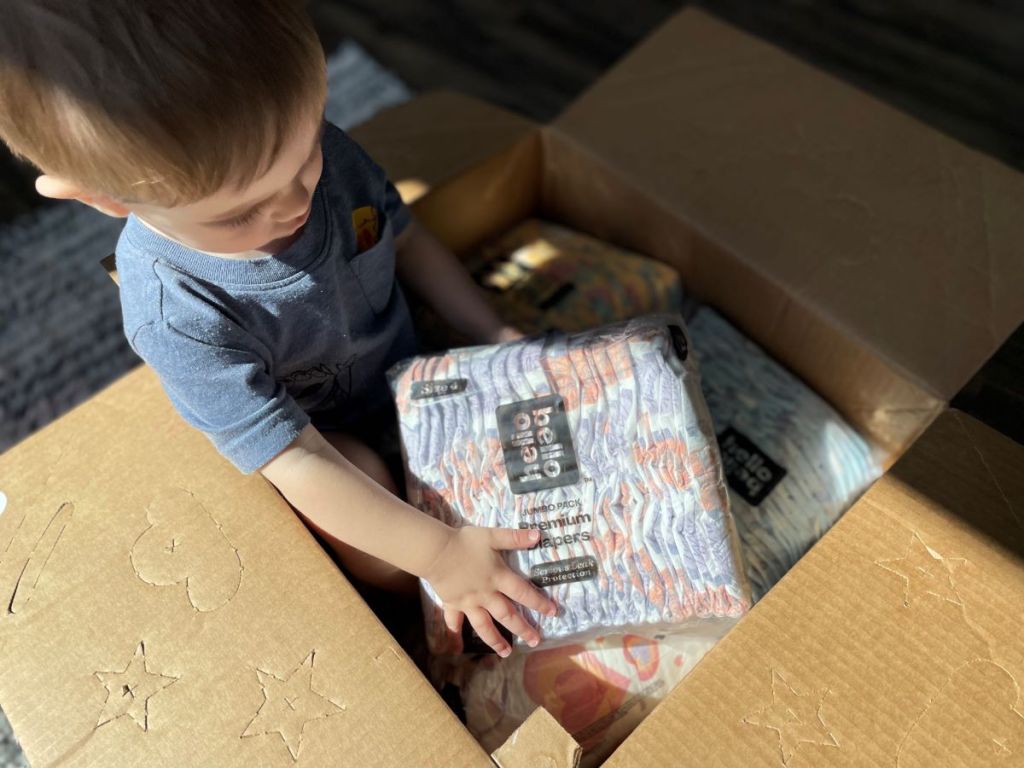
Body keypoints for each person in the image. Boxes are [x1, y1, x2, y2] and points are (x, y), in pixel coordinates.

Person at [0, 0, 555, 656]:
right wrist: (438, 559)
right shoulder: (178, 314)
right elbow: (296, 460)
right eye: (239, 213)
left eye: (309, 149)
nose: (296, 202)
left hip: (420, 375)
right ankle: (434, 614)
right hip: (329, 444)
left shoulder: (312, 159)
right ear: (101, 197)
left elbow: (406, 244)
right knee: (356, 477)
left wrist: (489, 332)